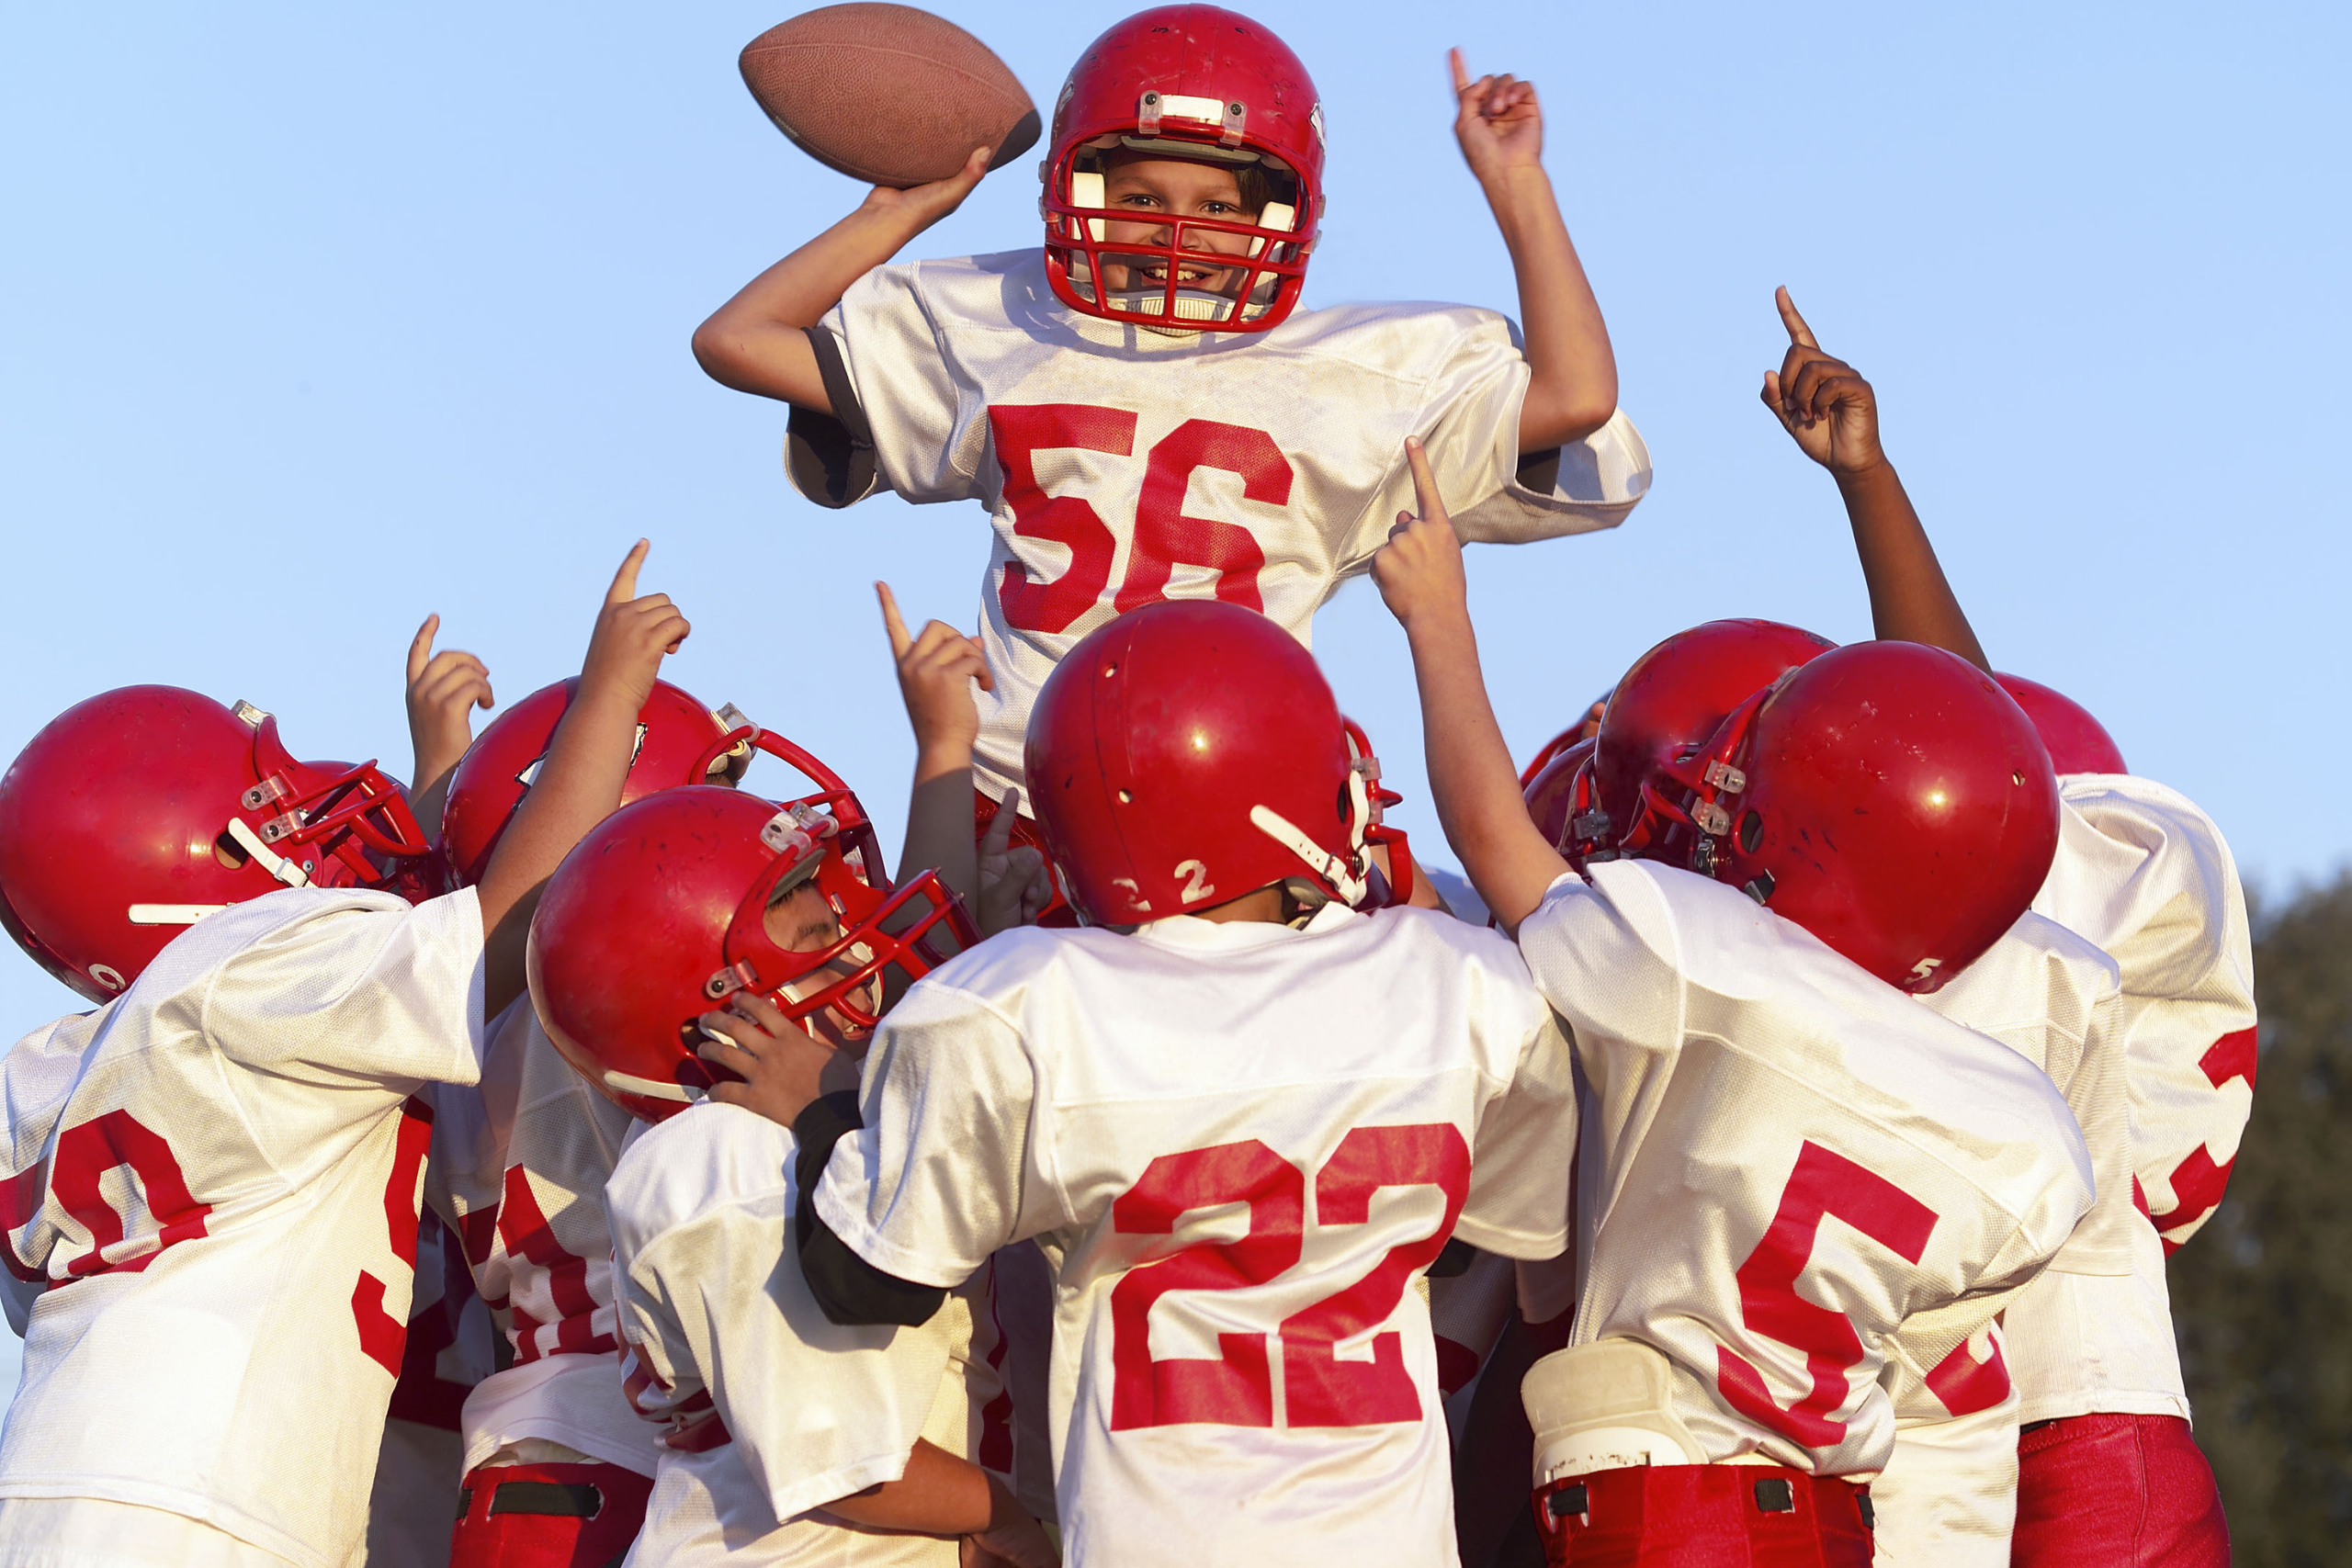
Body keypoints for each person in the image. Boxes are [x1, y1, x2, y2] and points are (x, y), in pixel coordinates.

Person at [724, 599, 1579, 1568]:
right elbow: (1479, 1242)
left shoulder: (1022, 1007)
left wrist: (825, 1109)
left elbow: (865, 1277)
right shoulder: (1452, 981)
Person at [691, 4, 1649, 855]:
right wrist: (897, 212)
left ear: (1279, 210)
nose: (1176, 229)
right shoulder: (1005, 322)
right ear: (1081, 187)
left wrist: (1516, 183)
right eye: (1143, 198)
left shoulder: (1357, 372)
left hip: (1239, 802)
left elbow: (1576, 397)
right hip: (1024, 808)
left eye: (1215, 206)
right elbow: (735, 341)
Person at [1373, 442, 2094, 1566]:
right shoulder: (2029, 1131)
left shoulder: (1697, 963)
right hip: (1829, 1520)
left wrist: (1436, 619)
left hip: (1657, 1513)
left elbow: (1490, 838)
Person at [0, 540, 688, 1568]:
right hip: (210, 1494)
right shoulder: (240, 966)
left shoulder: (47, 1066)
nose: (316, 828)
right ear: (174, 865)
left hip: (57, 1475)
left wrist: (440, 779)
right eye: (268, 811)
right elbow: (493, 934)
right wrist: (609, 696)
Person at [1758, 304, 2247, 1563]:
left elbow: (1970, 751)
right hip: (2058, 1412)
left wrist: (1869, 482)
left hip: (2012, 1426)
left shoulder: (2039, 896)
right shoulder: (2083, 917)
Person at [527, 728, 1051, 1565]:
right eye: (816, 944)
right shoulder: (718, 1156)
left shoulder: (788, 1124)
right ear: (718, 1014)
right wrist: (1018, 1525)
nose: (857, 952)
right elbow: (840, 1461)